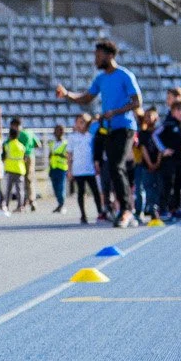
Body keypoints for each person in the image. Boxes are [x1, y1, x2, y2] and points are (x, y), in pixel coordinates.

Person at [55, 38, 140, 226]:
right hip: (108, 129)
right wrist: (67, 94)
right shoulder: (101, 79)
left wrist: (114, 112)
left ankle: (126, 210)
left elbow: (137, 102)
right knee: (113, 169)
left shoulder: (125, 75)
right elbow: (86, 98)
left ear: (109, 56)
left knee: (117, 166)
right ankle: (121, 208)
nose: (95, 59)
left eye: (98, 55)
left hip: (125, 127)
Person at [155, 98, 181, 221]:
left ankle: (177, 208)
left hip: (180, 159)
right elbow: (155, 135)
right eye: (178, 110)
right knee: (168, 184)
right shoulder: (168, 124)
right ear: (172, 111)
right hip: (169, 160)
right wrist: (163, 149)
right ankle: (164, 209)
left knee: (180, 183)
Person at [68, 113, 99, 223]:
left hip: (90, 169)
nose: (82, 125)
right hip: (78, 169)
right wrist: (69, 170)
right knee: (81, 192)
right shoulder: (72, 137)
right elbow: (70, 154)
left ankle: (100, 212)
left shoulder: (91, 136)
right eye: (79, 122)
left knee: (96, 191)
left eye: (84, 122)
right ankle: (83, 214)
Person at [0, 107, 25, 211]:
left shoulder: (7, 145)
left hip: (10, 169)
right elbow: (24, 157)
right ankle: (20, 206)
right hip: (20, 169)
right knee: (20, 189)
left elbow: (3, 157)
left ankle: (6, 206)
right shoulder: (21, 146)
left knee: (8, 189)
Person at [47, 123, 70, 212]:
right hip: (53, 167)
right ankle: (59, 203)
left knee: (61, 187)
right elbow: (50, 155)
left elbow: (68, 156)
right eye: (56, 130)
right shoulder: (52, 143)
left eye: (60, 130)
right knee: (55, 187)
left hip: (62, 168)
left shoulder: (65, 143)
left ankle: (62, 204)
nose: (58, 132)